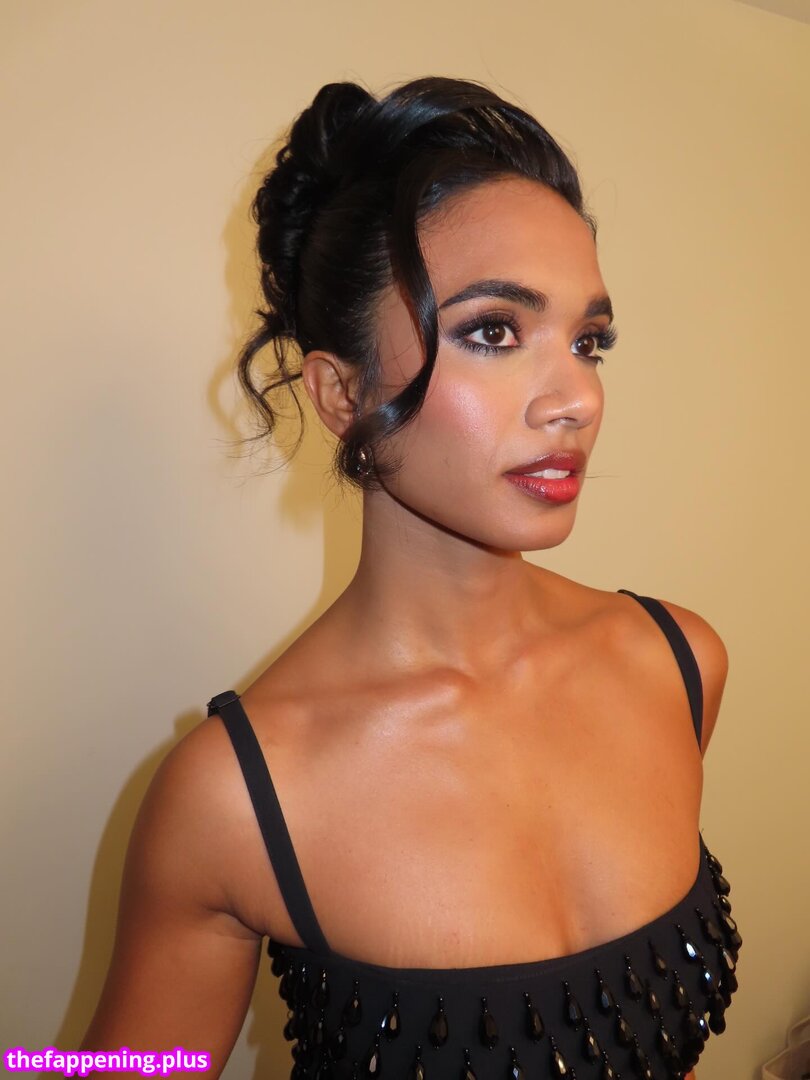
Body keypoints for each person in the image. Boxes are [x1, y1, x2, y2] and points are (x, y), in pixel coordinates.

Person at [81, 76, 742, 1079]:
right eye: (494, 331)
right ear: (340, 393)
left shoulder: (679, 663)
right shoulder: (237, 797)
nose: (576, 398)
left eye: (588, 341)